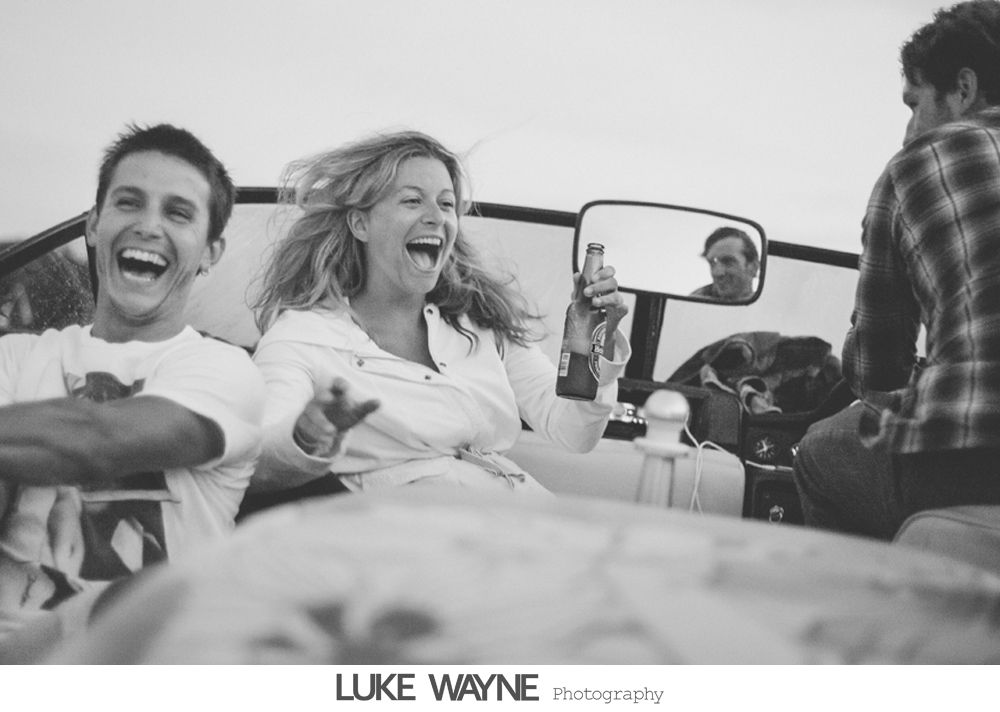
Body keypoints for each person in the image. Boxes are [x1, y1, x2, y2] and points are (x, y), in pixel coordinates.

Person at [250, 130, 631, 496]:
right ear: (360, 223)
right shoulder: (303, 337)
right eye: (412, 201)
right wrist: (307, 435)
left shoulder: (478, 323)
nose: (436, 217)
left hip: (515, 518)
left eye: (446, 204)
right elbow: (257, 455)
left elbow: (573, 432)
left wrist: (598, 345)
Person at [0, 124, 265, 642]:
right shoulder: (15, 356)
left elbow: (100, 440)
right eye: (129, 203)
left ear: (211, 251)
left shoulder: (225, 369)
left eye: (178, 213)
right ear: (94, 224)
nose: (149, 226)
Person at [793, 0, 1000, 540]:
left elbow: (875, 372)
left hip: (972, 460)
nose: (910, 129)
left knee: (819, 450)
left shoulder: (918, 165)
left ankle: (887, 613)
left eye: (914, 103)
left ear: (963, 87)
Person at [689, 226, 759, 301]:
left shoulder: (767, 307)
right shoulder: (695, 304)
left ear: (753, 267)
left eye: (728, 262)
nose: (717, 272)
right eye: (712, 263)